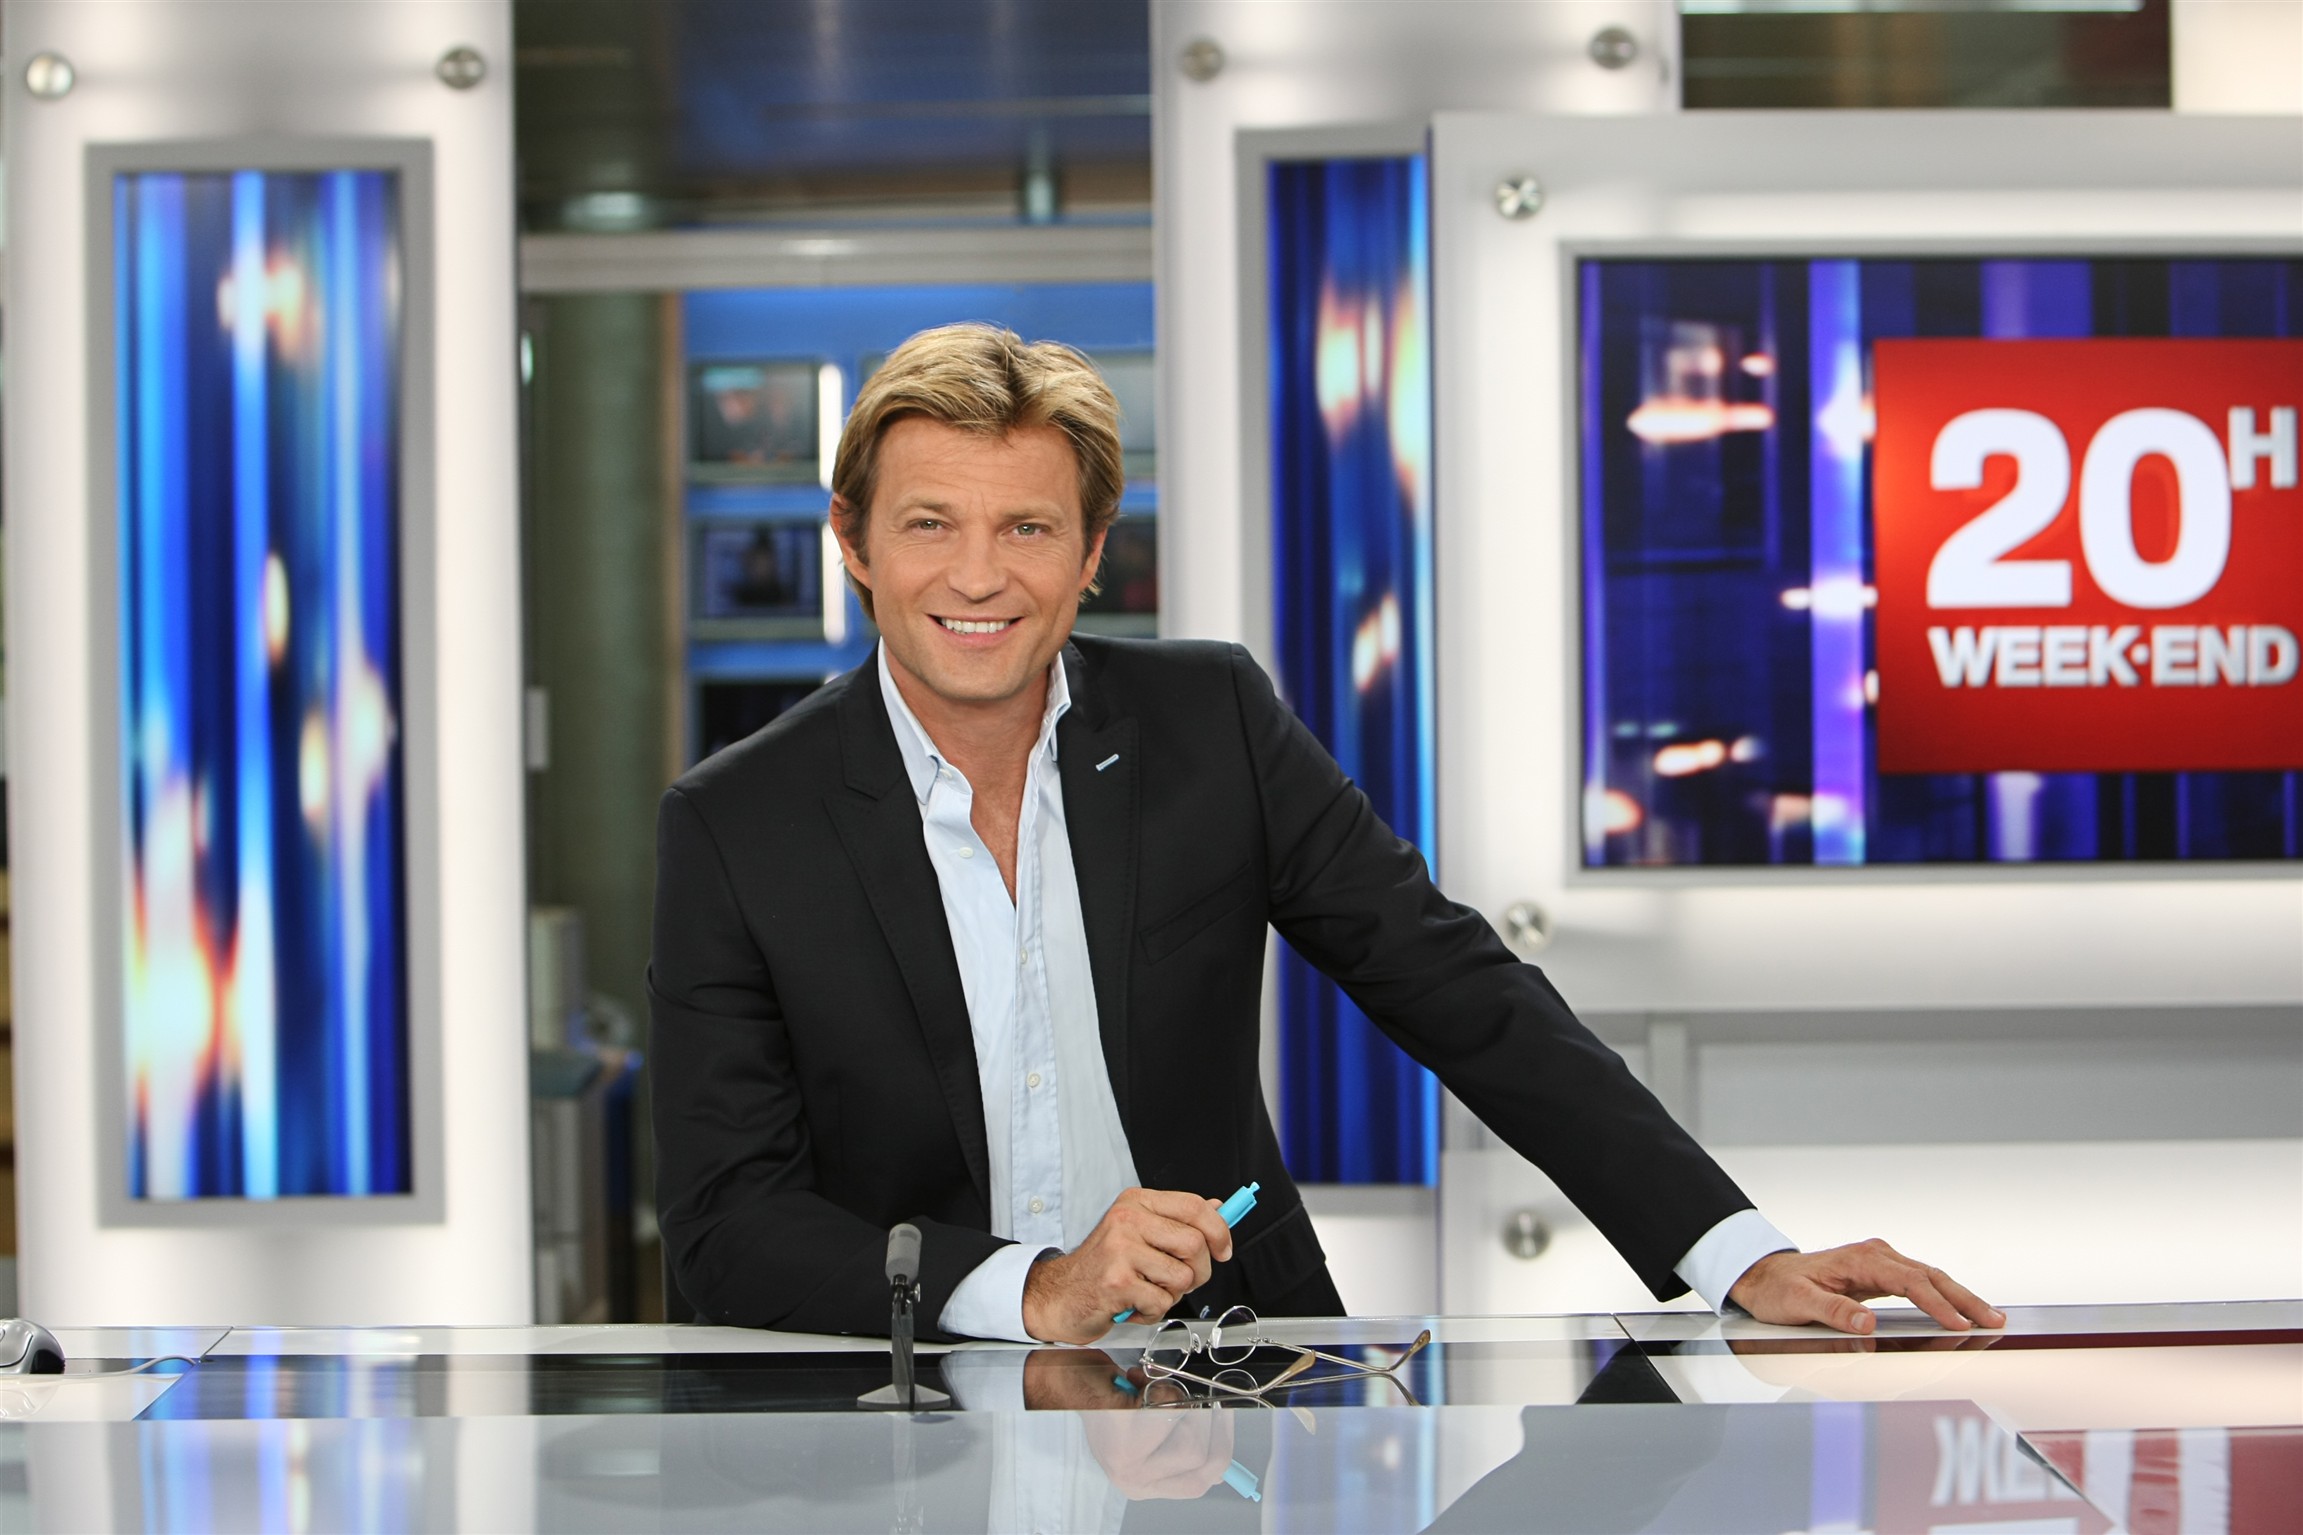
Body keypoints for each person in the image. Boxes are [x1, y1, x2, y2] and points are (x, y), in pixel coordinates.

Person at [648, 322, 2003, 1345]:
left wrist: (1733, 1252)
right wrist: (1035, 1291)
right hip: (909, 1403)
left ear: (1094, 550)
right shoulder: (735, 825)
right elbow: (726, 1226)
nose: (979, 575)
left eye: (1030, 527)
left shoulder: (1209, 722)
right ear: (853, 543)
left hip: (1238, 1385)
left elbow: (1456, 987)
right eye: (929, 524)